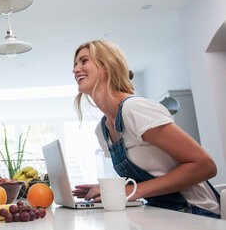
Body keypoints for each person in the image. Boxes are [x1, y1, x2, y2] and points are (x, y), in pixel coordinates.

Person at [71, 40, 220, 218]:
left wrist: (131, 191)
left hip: (196, 214)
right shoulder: (102, 130)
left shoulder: (135, 109)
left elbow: (205, 165)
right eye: (75, 64)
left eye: (84, 61)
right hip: (161, 214)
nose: (75, 70)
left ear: (107, 65)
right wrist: (112, 190)